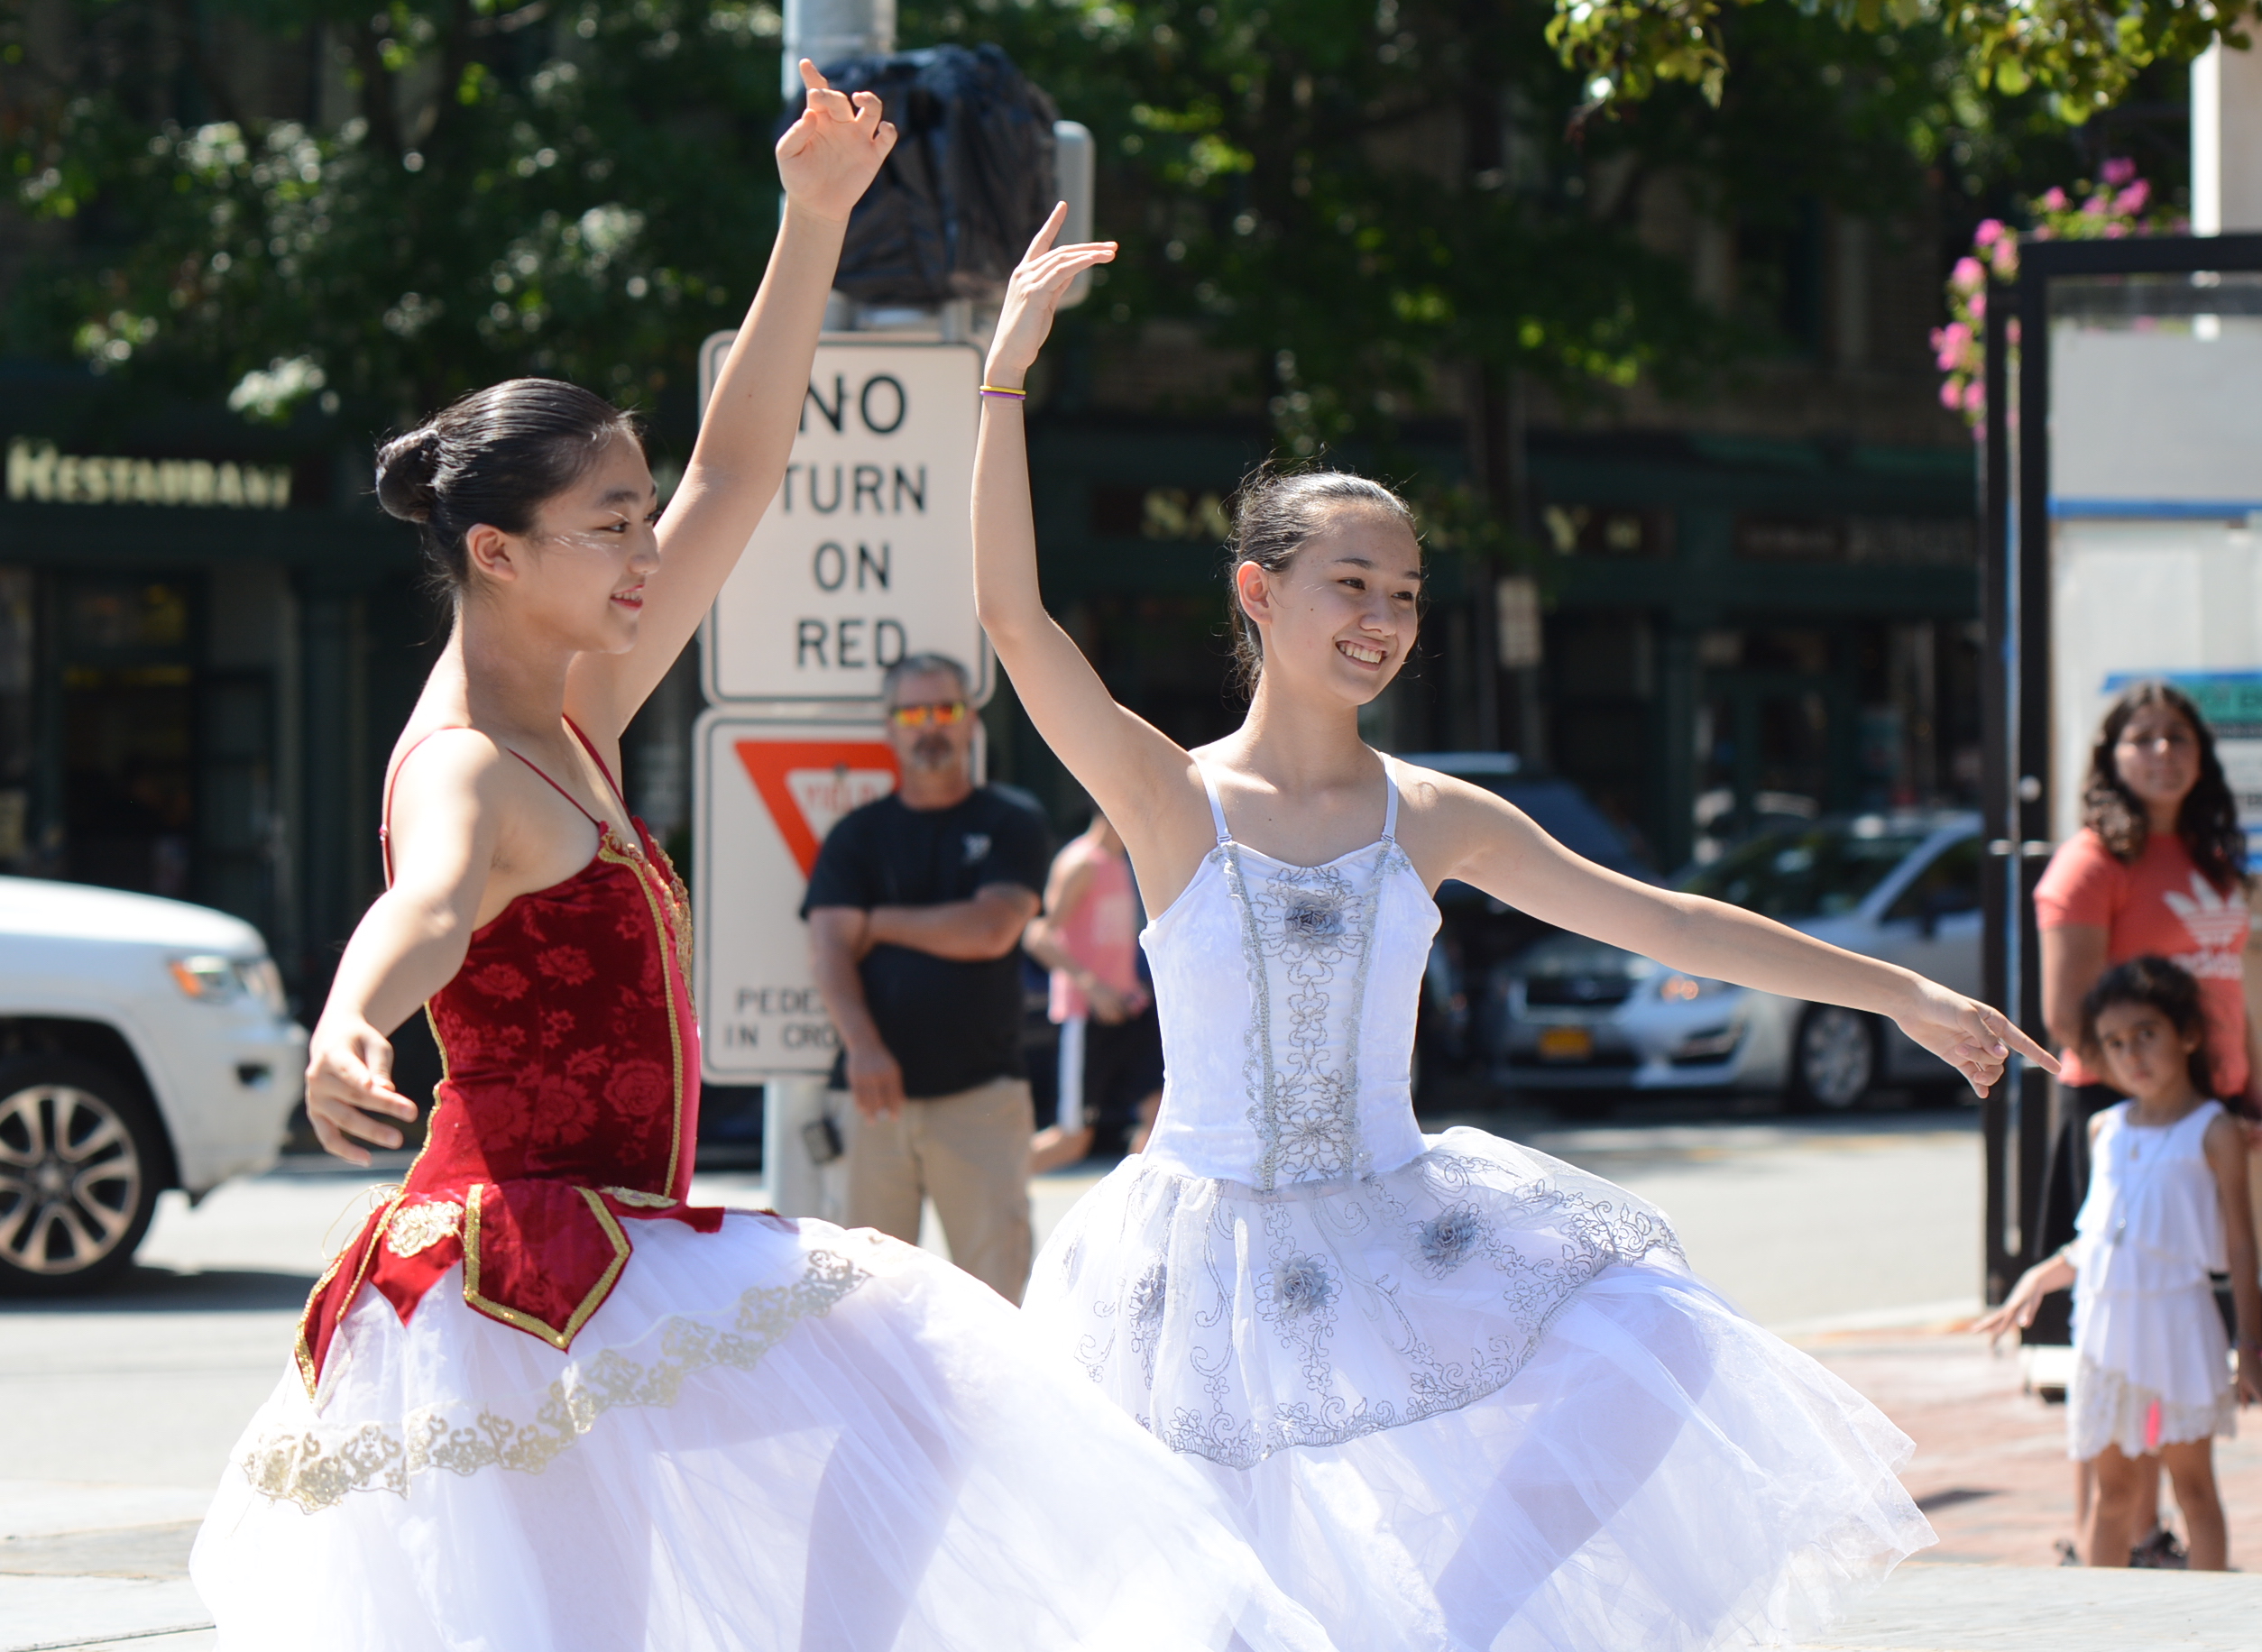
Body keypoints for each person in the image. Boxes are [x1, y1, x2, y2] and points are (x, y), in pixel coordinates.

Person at [186, 74, 1334, 1652]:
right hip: (524, 1275)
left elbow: (736, 471)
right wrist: (349, 1015)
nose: (647, 549)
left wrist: (812, 221)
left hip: (604, 1257)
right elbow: (429, 902)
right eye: (610, 525)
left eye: (637, 516)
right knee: (716, 1521)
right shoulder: (468, 758)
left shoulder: (573, 708)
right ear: (498, 554)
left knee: (885, 1415)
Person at [970, 206, 2056, 1649]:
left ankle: (1451, 1633)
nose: (1382, 617)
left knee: (1655, 1339)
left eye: (1405, 594)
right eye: (1351, 585)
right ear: (1258, 592)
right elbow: (1015, 619)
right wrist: (1004, 373)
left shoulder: (1434, 815)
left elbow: (1667, 918)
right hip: (1200, 1265)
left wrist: (1900, 994)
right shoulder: (1171, 798)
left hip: (1394, 1216)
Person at [2033, 680, 2257, 1563]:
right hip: (2123, 1113)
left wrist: (2243, 1099)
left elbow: (2239, 993)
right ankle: (2105, 1534)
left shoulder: (2213, 856)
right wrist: (2148, 1090)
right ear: (2111, 757)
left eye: (2178, 736)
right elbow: (2067, 1014)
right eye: (2143, 737)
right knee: (2112, 1324)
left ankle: (2154, 1534)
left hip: (2213, 1114)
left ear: (2201, 755)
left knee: (2184, 1318)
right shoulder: (2091, 862)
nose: (2163, 751)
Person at [1975, 956, 2262, 1569]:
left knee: (2194, 1491)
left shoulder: (2214, 1131)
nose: (2132, 1054)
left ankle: (2207, 1613)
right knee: (2115, 1496)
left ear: (2187, 1034)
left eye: (2146, 1034)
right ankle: (2102, 1615)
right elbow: (2102, 1240)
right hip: (2107, 1336)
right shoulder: (2105, 1129)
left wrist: (2251, 1342)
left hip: (2180, 1329)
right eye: (2114, 1043)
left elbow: (2241, 1244)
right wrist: (2039, 1276)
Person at [802, 652, 1052, 1302]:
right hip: (871, 1099)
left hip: (982, 1095)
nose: (930, 726)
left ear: (971, 722)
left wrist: (879, 921)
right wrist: (864, 1048)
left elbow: (990, 930)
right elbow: (828, 949)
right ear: (890, 727)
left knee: (995, 1298)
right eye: (913, 714)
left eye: (945, 709)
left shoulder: (1011, 821)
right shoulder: (856, 836)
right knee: (861, 1299)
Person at [1024, 808, 1163, 1174]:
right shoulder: (1080, 862)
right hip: (1086, 1015)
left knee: (1159, 1119)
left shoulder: (1121, 862)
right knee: (1071, 1140)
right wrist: (1092, 987)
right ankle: (987, 1187)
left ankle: (1136, 1204)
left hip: (1128, 1011)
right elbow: (1039, 936)